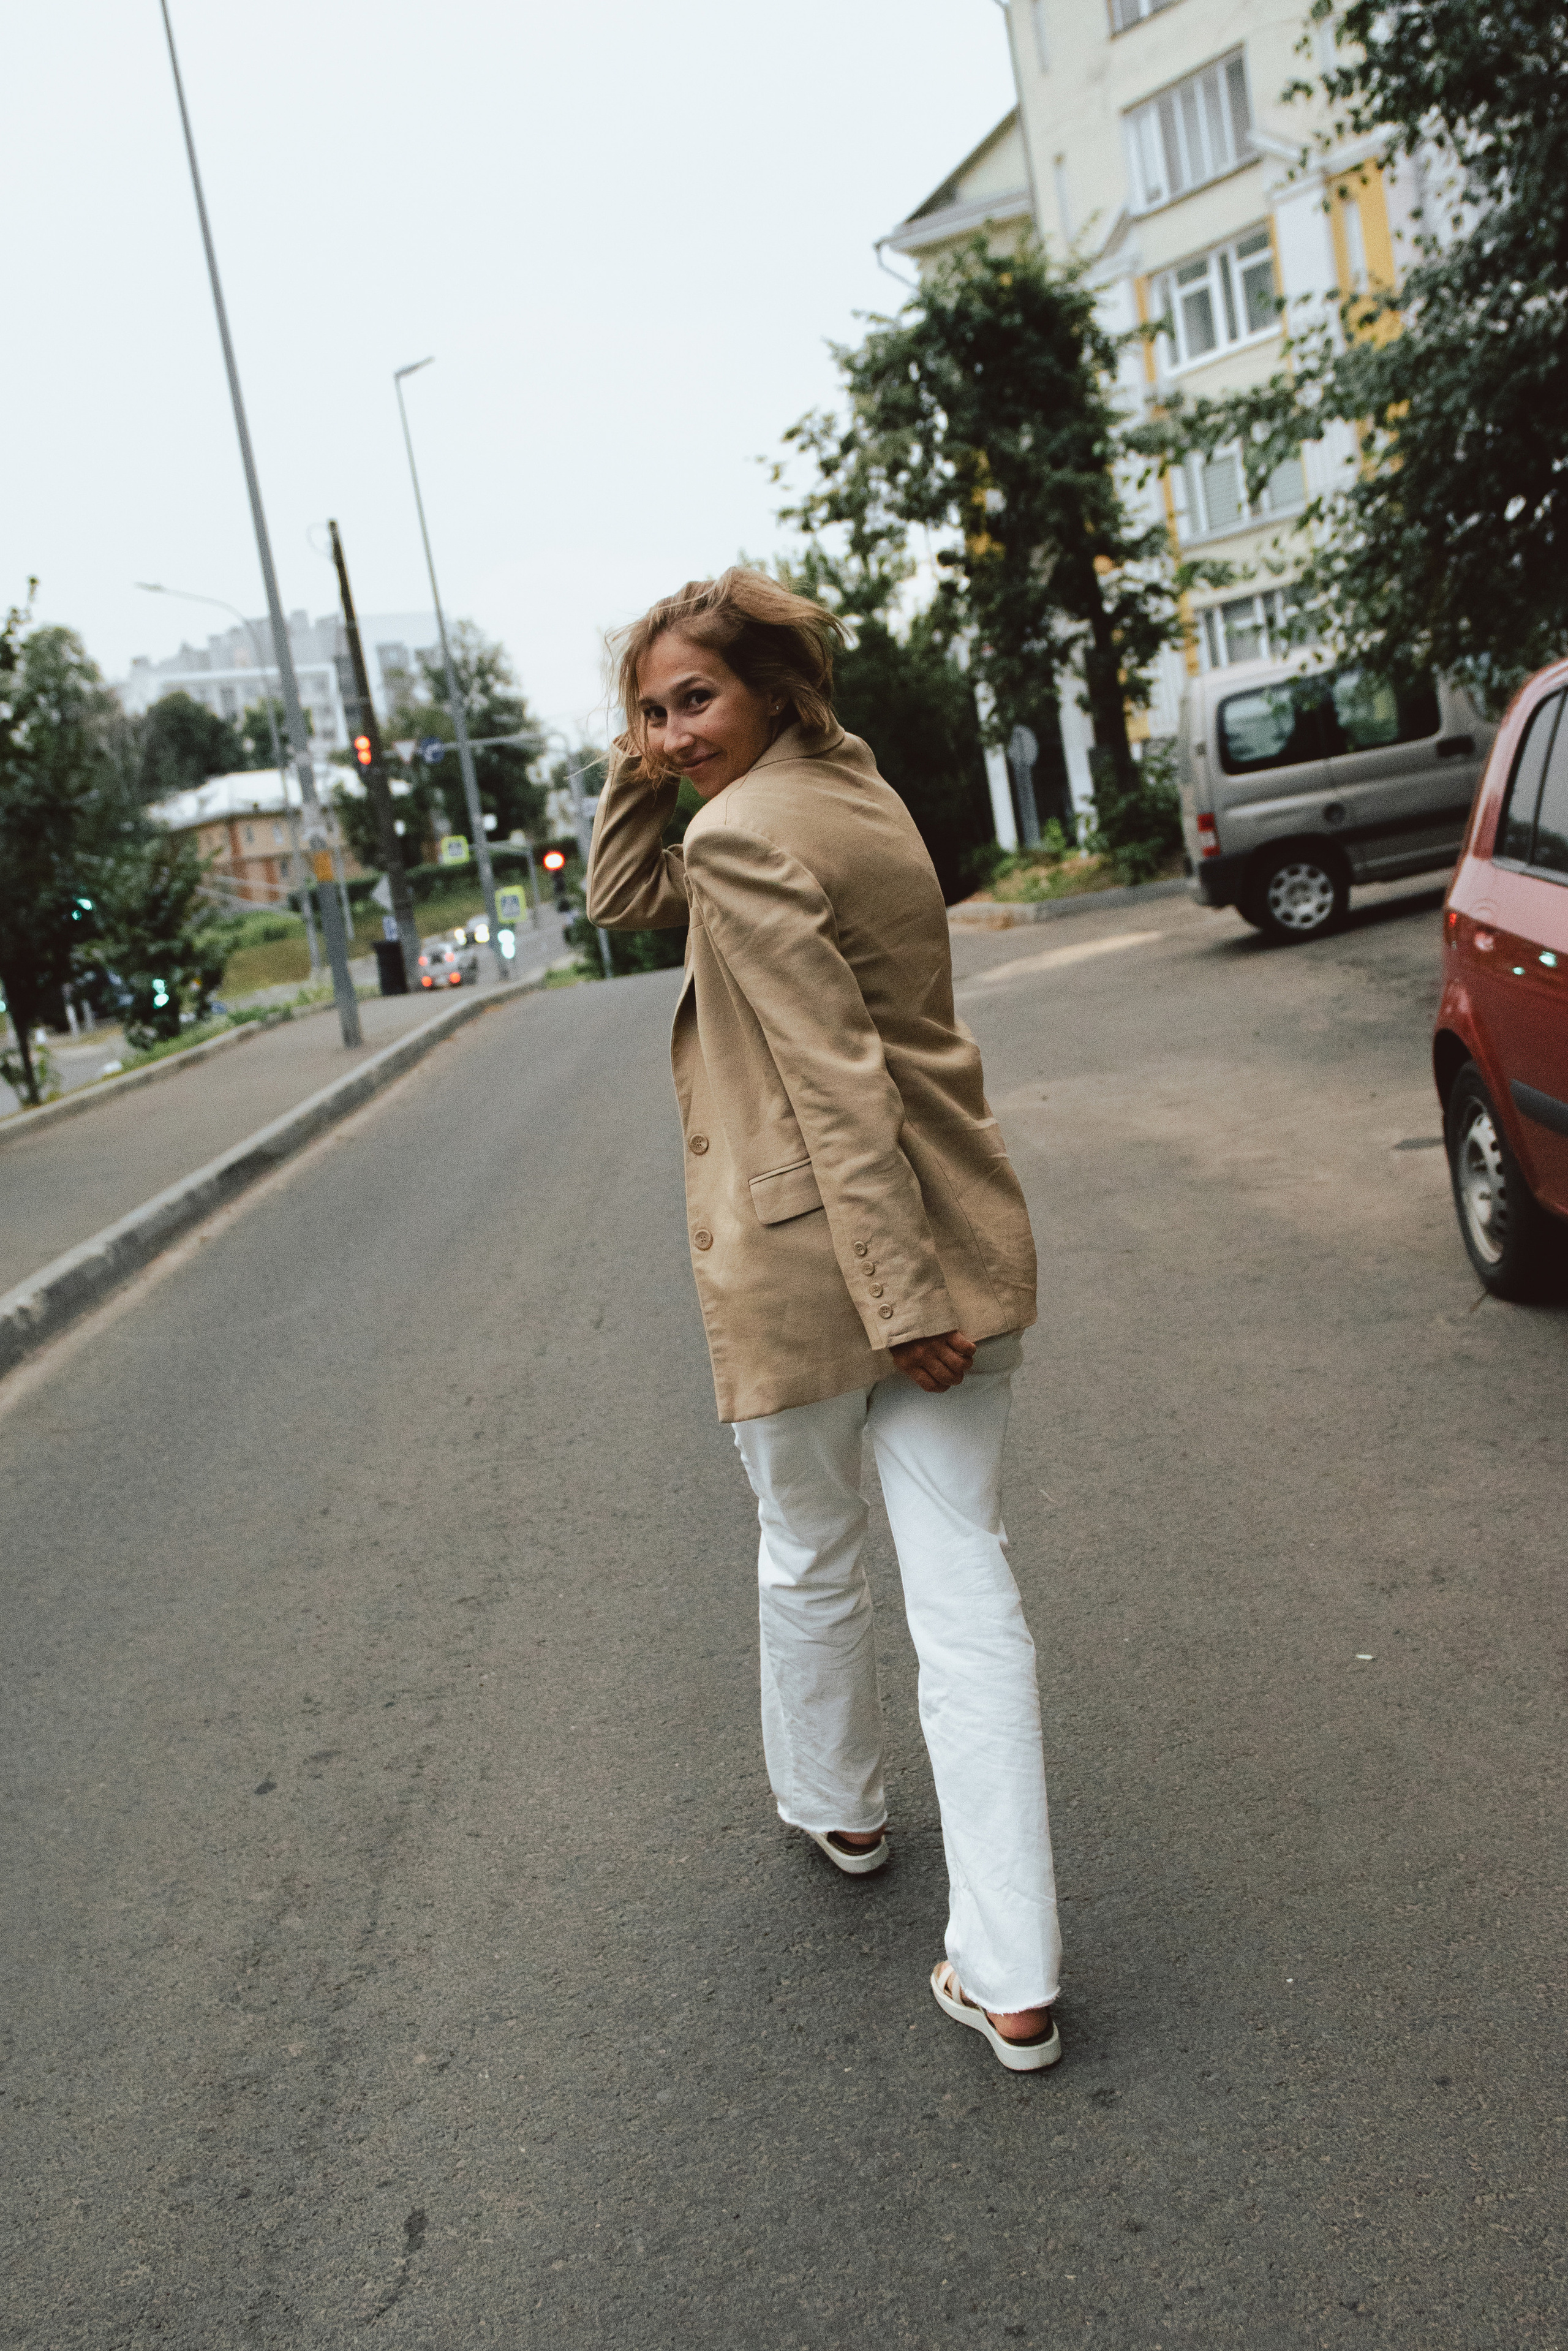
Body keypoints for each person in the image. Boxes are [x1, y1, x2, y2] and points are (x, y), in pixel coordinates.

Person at [587, 570, 1062, 2072]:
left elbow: (831, 1071)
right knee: (964, 1586)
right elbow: (624, 899)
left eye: (694, 701)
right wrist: (649, 759)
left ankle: (839, 1805)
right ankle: (1012, 1974)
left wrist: (895, 1297)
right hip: (952, 1220)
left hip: (825, 1262)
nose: (670, 735)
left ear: (771, 690)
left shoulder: (737, 834)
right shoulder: (855, 796)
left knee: (807, 1541)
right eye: (648, 712)